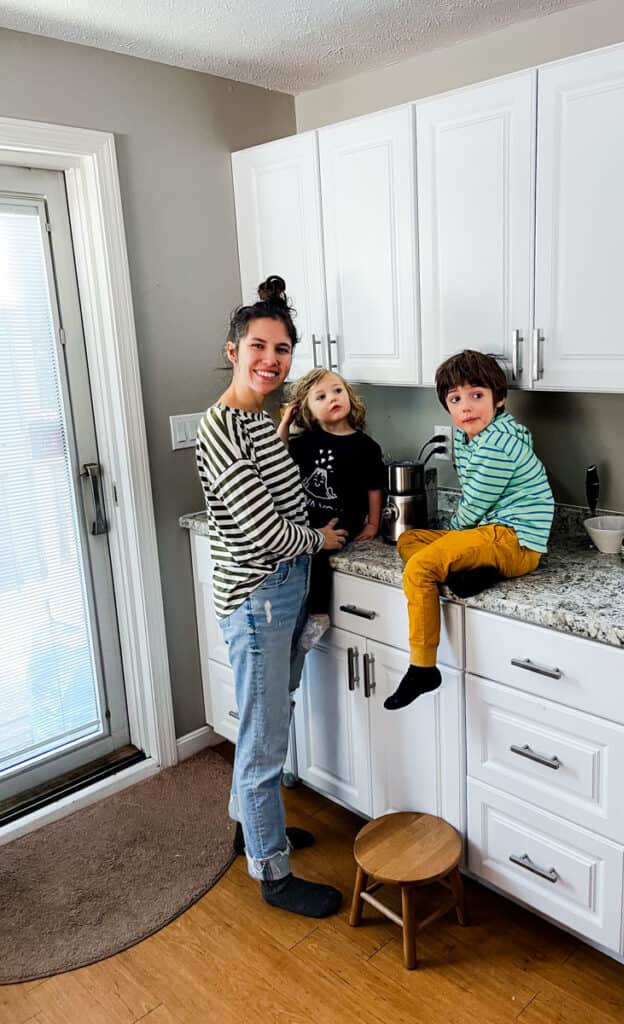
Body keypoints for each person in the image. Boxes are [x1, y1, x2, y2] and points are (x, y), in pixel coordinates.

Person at [196, 275, 348, 918]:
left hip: (279, 589)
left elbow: (274, 493)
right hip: (259, 596)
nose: (271, 360)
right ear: (233, 350)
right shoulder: (223, 425)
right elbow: (261, 530)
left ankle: (251, 831)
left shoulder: (258, 423)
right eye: (259, 346)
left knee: (272, 712)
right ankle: (274, 874)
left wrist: (284, 428)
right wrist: (318, 538)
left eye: (283, 349)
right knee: (262, 740)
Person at [384, 349, 554, 711]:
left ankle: (423, 667)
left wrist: (451, 537)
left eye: (477, 395)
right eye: (455, 399)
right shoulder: (471, 437)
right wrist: (451, 539)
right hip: (492, 536)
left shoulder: (498, 445)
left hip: (514, 541)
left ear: (499, 398)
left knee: (420, 568)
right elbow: (473, 509)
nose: (466, 407)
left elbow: (474, 505)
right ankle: (476, 572)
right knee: (410, 539)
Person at [278, 368, 386, 650]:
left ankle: (318, 614)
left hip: (342, 518)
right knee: (297, 549)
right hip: (307, 517)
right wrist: (286, 424)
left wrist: (373, 524)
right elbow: (276, 456)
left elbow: (375, 488)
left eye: (338, 391)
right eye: (321, 396)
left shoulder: (366, 447)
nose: (332, 398)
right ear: (308, 411)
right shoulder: (304, 443)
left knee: (320, 553)